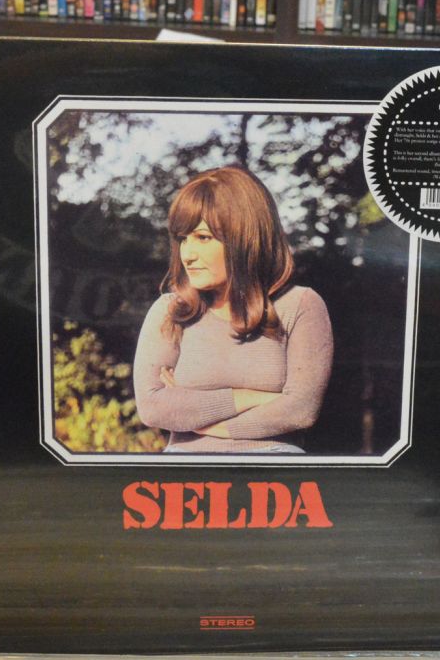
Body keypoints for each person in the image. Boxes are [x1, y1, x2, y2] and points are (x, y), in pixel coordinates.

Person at [133, 165, 333, 453]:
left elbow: (301, 410)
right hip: (184, 469)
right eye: (183, 239)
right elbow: (153, 408)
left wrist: (206, 424)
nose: (187, 254)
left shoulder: (300, 304)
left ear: (244, 238)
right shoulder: (171, 311)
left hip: (274, 466)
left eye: (203, 237)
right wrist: (252, 397)